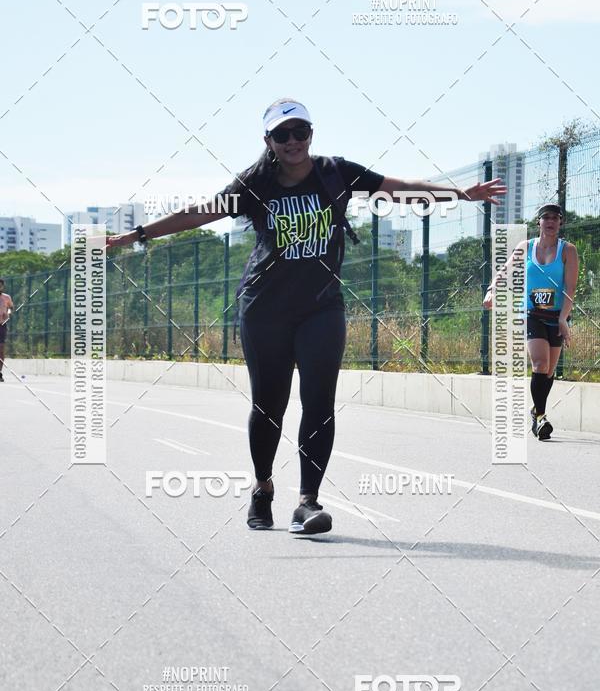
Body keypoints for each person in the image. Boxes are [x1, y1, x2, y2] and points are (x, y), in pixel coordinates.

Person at [108, 98, 505, 533]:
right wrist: (139, 234)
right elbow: (199, 213)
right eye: (282, 134)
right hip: (264, 309)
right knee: (269, 405)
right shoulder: (254, 183)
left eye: (300, 132)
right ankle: (263, 487)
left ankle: (307, 502)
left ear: (311, 135)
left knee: (319, 403)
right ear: (269, 141)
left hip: (321, 307)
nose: (293, 141)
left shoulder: (336, 172)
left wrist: (460, 193)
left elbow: (400, 187)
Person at [484, 203, 578, 440]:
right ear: (539, 222)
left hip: (556, 315)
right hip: (531, 313)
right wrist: (492, 290)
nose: (550, 221)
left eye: (555, 218)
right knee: (540, 363)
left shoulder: (568, 250)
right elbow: (504, 271)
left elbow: (570, 289)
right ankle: (541, 418)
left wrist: (563, 318)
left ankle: (536, 411)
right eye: (546, 217)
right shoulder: (525, 247)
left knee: (549, 372)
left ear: (560, 222)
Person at [0, 279, 14, 382]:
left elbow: (11, 308)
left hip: (2, 325)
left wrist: (8, 313)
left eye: (0, 286)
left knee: (1, 349)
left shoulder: (6, 297)